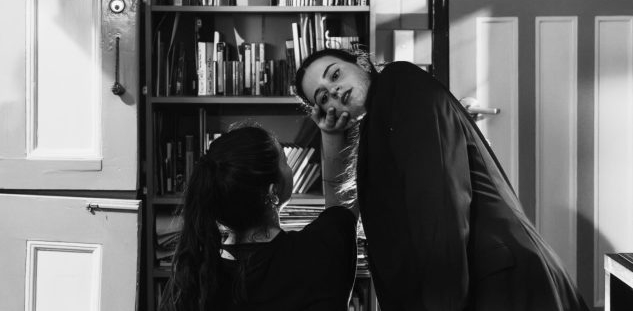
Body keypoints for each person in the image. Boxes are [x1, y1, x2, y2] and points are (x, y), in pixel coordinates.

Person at [294, 48, 590, 311]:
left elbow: (440, 204)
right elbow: (339, 217)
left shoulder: (400, 83)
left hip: (496, 281)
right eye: (323, 97)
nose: (333, 91)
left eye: (335, 75)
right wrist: (330, 135)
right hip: (477, 281)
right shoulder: (378, 125)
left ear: (360, 61)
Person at [160, 124, 359, 311]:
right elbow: (341, 206)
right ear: (272, 192)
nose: (289, 167)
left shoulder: (192, 278)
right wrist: (332, 133)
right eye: (285, 161)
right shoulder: (319, 253)